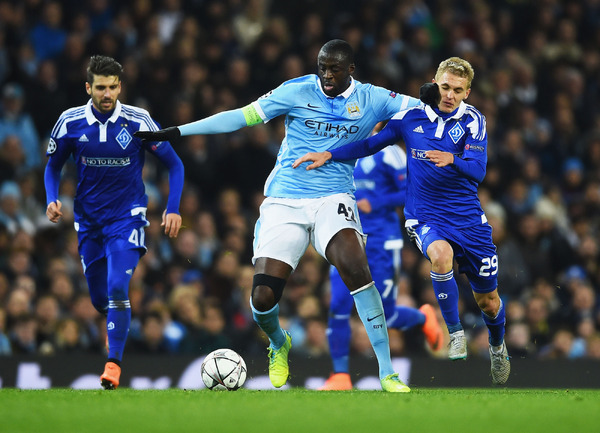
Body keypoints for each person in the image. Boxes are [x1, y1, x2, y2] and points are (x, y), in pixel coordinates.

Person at [135, 39, 420, 392]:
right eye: (322, 67)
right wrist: (178, 131)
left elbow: (426, 110)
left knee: (355, 266)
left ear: (351, 70)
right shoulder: (296, 91)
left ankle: (387, 372)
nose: (326, 75)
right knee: (263, 299)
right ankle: (278, 342)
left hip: (334, 196)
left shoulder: (374, 99)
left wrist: (441, 101)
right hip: (285, 199)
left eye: (334, 68)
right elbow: (239, 117)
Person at [293, 57, 511, 385]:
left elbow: (478, 171)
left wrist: (452, 159)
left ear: (468, 92)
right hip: (425, 215)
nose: (449, 95)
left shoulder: (474, 121)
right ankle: (455, 333)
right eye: (444, 87)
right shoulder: (410, 118)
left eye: (457, 90)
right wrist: (331, 154)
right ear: (435, 83)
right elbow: (370, 144)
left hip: (467, 219)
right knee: (440, 257)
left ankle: (497, 345)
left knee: (489, 303)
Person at [44, 55, 184, 390]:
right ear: (88, 87)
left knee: (118, 287)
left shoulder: (139, 120)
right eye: (101, 88)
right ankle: (118, 328)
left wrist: (173, 207)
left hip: (128, 216)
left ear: (120, 86)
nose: (107, 94)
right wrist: (50, 198)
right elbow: (53, 166)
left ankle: (113, 365)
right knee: (100, 299)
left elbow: (175, 165)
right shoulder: (69, 122)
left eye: (113, 87)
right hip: (88, 221)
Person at [321, 138, 443, 390]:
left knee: (385, 314)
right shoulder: (339, 148)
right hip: (345, 237)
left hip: (381, 244)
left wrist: (375, 203)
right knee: (338, 305)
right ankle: (340, 375)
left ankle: (422, 318)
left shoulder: (389, 153)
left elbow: (412, 190)